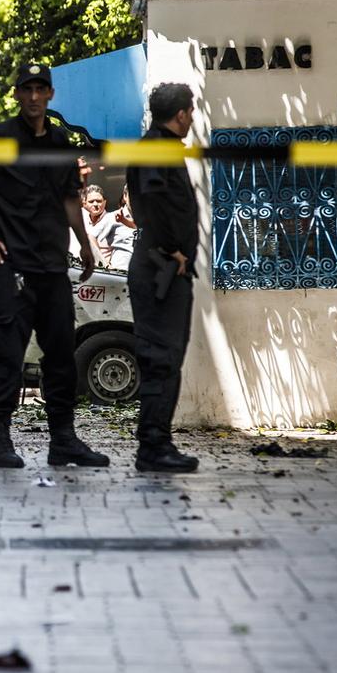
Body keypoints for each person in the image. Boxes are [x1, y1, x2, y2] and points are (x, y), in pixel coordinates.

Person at [0, 62, 107, 469]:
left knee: (60, 357)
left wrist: (85, 243)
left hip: (52, 266)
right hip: (9, 265)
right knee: (7, 357)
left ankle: (63, 441)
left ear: (50, 94)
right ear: (17, 95)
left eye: (41, 89)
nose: (34, 96)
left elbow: (71, 196)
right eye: (27, 89)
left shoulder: (59, 142)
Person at [126, 83, 201, 473]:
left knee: (167, 358)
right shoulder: (157, 147)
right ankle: (153, 448)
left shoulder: (161, 146)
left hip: (165, 267)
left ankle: (157, 444)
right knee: (161, 358)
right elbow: (153, 198)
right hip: (160, 267)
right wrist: (172, 247)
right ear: (182, 114)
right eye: (191, 111)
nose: (192, 117)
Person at [105, 186, 137, 270]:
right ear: (125, 196)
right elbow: (92, 239)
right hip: (119, 273)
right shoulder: (111, 217)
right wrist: (105, 264)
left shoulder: (149, 220)